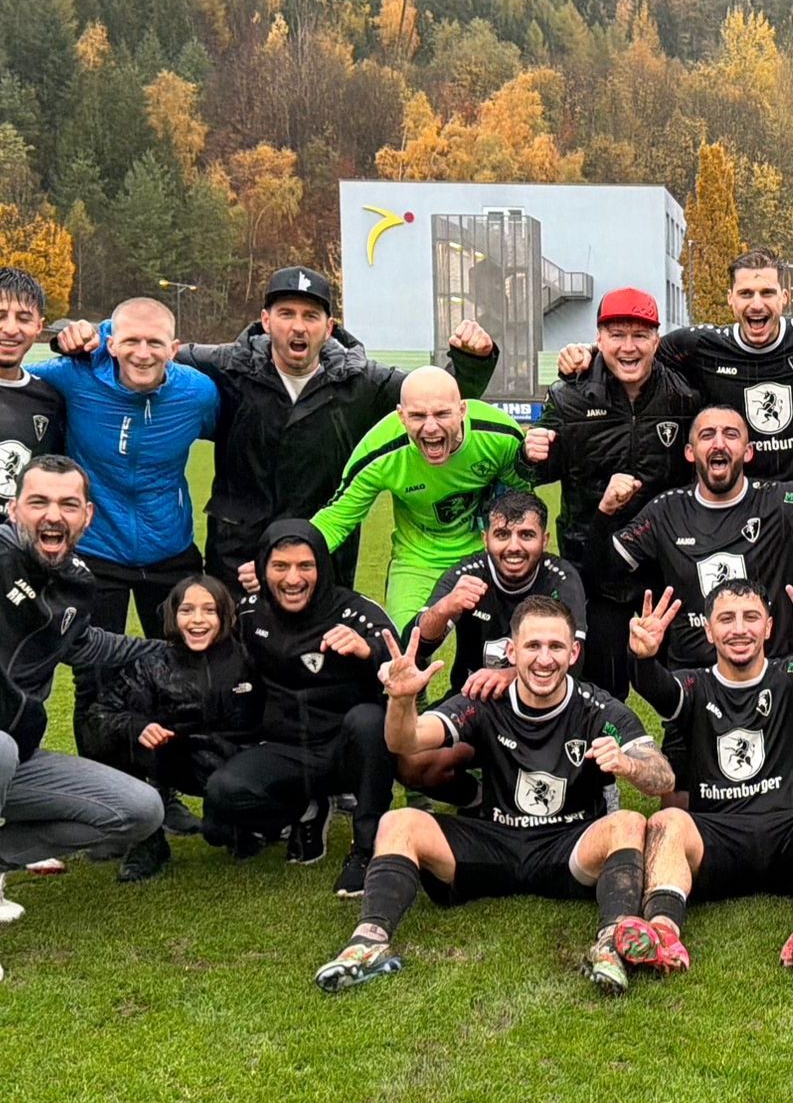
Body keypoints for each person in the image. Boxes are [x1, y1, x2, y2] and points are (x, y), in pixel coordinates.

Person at [54, 267, 499, 594]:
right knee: (236, 677)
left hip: (323, 555)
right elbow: (144, 346)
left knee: (317, 674)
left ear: (329, 327)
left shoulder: (363, 382)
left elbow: (435, 398)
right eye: (286, 313)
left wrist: (473, 361)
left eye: (310, 315)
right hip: (237, 557)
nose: (298, 326)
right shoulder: (224, 365)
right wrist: (80, 336)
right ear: (266, 321)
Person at [314, 602, 675, 995]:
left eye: (556, 647)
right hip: (494, 840)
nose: (543, 659)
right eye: (532, 646)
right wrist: (401, 700)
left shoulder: (598, 707)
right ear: (511, 652)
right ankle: (368, 942)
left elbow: (662, 776)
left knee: (628, 823)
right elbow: (406, 741)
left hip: (567, 847)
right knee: (398, 823)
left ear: (573, 654)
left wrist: (629, 764)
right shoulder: (484, 700)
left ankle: (611, 943)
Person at [626, 578, 793, 972]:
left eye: (751, 617)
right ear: (709, 630)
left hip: (790, 836)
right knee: (666, 821)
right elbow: (658, 689)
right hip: (717, 839)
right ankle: (662, 933)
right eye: (727, 619)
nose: (739, 629)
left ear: (769, 627)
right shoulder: (694, 684)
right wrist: (644, 660)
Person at [556, 248, 793, 486]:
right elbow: (638, 351)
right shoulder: (697, 345)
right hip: (735, 504)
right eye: (747, 294)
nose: (757, 303)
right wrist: (588, 351)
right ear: (731, 300)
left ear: (784, 298)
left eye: (767, 293)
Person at [32, 297, 219, 767]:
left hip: (170, 551)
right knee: (94, 676)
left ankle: (169, 787)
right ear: (111, 343)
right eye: (130, 341)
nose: (142, 353)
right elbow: (15, 377)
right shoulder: (71, 378)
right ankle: (104, 792)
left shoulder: (198, 393)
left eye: (154, 342)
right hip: (96, 553)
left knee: (182, 670)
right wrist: (69, 334)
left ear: (173, 348)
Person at [0, 457, 163, 948]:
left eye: (68, 504)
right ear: (12, 510)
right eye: (39, 502)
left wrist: (170, 650)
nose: (54, 515)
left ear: (87, 515)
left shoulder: (75, 581)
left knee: (139, 810)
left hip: (15, 754)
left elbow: (84, 645)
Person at [609, 400, 793, 665]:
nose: (719, 443)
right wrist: (604, 513)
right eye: (707, 435)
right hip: (695, 679)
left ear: (748, 450)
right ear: (690, 453)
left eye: (731, 434)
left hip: (770, 674)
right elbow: (605, 568)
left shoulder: (782, 501)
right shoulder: (665, 510)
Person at [206, 520, 397, 898]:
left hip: (347, 750)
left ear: (322, 567)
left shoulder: (355, 612)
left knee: (370, 720)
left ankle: (366, 848)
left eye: (304, 566)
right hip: (286, 751)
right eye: (281, 566)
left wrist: (368, 652)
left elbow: (402, 664)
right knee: (222, 796)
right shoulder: (248, 613)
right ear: (263, 568)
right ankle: (306, 811)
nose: (293, 579)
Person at [522, 287, 697, 698]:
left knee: (684, 684)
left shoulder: (683, 398)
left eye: (640, 335)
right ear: (598, 339)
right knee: (602, 689)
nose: (629, 347)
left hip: (665, 569)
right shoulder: (569, 399)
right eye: (616, 334)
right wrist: (529, 456)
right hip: (595, 570)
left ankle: (684, 761)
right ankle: (595, 763)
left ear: (657, 340)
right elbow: (534, 472)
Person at [301, 367, 529, 630]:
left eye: (442, 414)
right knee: (403, 649)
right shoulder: (379, 452)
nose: (431, 427)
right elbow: (336, 518)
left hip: (487, 554)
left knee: (510, 647)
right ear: (400, 416)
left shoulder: (499, 435)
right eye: (417, 416)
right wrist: (284, 554)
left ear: (462, 410)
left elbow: (525, 500)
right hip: (417, 560)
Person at [403, 491, 587, 806]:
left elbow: (575, 660)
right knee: (412, 762)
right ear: (485, 537)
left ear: (544, 540)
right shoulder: (467, 574)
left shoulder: (561, 578)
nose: (513, 547)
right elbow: (415, 647)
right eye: (502, 535)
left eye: (526, 535)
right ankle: (479, 800)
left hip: (542, 710)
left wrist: (513, 675)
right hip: (477, 706)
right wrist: (445, 608)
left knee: (554, 800)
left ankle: (593, 791)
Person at [79, 575, 263, 882]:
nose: (198, 620)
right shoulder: (152, 664)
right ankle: (149, 840)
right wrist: (137, 726)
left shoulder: (249, 659)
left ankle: (235, 822)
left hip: (234, 766)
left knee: (225, 830)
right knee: (118, 739)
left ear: (225, 615)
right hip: (174, 761)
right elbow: (98, 717)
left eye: (209, 610)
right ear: (172, 615)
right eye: (187, 610)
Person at [0, 268, 66, 502]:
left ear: (39, 326)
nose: (10, 329)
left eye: (24, 318)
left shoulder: (50, 400)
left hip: (22, 538)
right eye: (0, 315)